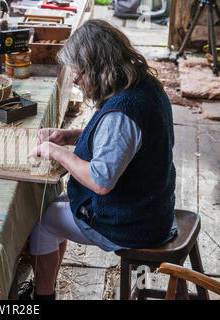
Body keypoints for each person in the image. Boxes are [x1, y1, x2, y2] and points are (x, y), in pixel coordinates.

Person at [26, 19, 178, 300]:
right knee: (57, 206)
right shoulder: (144, 86)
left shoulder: (122, 112)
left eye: (79, 74)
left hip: (135, 224)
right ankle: (48, 286)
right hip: (153, 205)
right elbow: (123, 144)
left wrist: (56, 151)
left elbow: (100, 181)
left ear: (96, 69)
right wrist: (70, 135)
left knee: (42, 220)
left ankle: (43, 295)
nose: (77, 81)